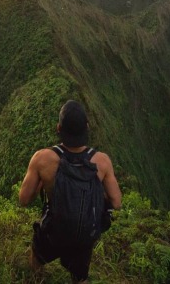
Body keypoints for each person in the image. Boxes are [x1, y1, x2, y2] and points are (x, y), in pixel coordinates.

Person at [19, 100, 122, 283]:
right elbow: (116, 202)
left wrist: (42, 186)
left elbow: (24, 199)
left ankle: (35, 278)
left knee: (36, 259)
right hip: (85, 235)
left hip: (55, 230)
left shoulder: (42, 159)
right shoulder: (102, 162)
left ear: (58, 128)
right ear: (87, 127)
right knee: (80, 277)